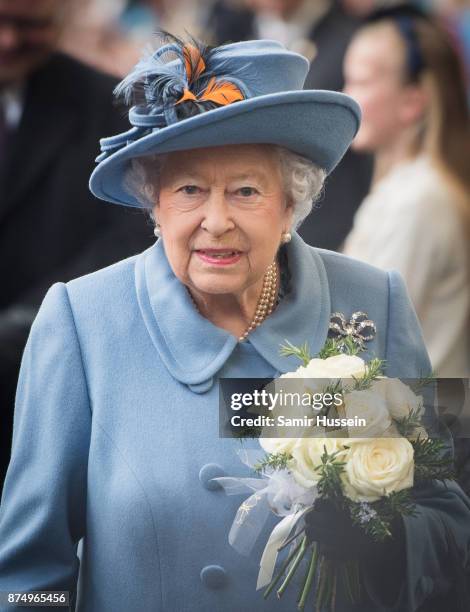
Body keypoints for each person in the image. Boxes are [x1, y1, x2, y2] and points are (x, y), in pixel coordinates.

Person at [0, 32, 469, 612]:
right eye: (189, 189)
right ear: (156, 204)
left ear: (291, 202)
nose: (215, 221)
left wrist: (391, 543)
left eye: (246, 190)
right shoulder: (80, 322)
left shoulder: (376, 301)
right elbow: (25, 581)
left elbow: (450, 518)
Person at [0, 0, 154, 492]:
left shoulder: (104, 108)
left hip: (48, 370)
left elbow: (127, 230)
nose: (8, 41)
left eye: (29, 25)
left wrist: (31, 321)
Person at [341, 4, 470, 377]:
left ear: (413, 101)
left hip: (415, 427)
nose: (347, 96)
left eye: (361, 82)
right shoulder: (406, 190)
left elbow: (362, 342)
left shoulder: (417, 201)